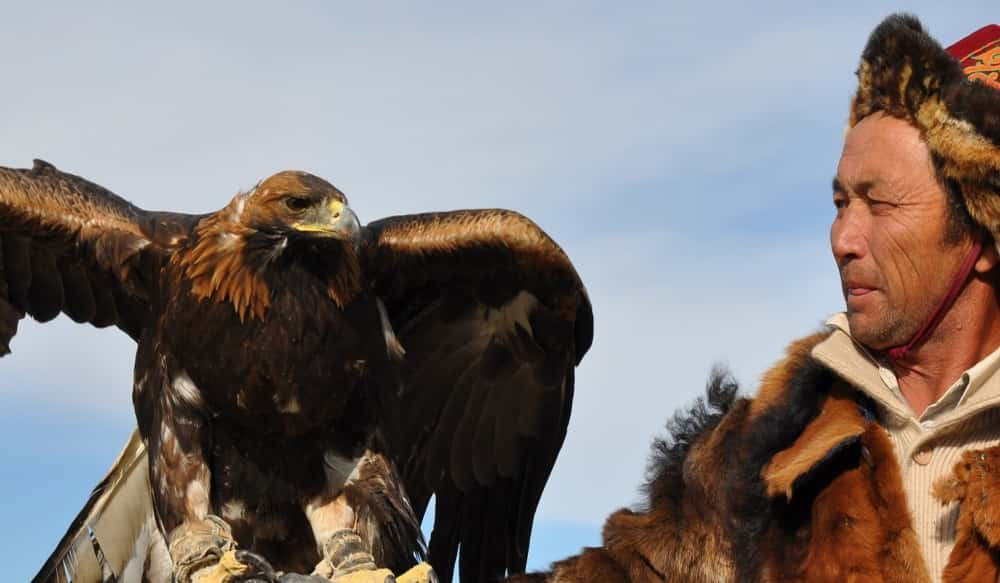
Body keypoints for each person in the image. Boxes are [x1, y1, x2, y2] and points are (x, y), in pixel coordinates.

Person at [508, 14, 1000, 583]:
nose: (842, 240)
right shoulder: (773, 447)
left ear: (983, 236)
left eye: (880, 204)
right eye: (842, 203)